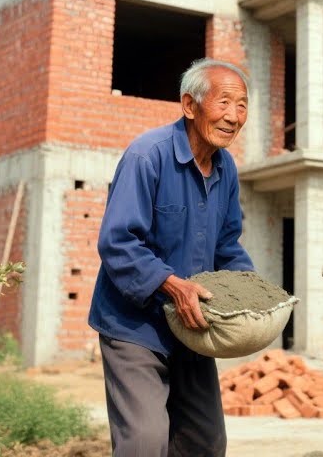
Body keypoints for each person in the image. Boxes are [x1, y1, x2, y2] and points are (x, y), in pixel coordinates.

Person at [87, 58, 253, 457]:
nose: (234, 116)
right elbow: (118, 242)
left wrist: (251, 293)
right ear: (190, 105)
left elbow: (228, 245)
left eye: (243, 105)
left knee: (205, 441)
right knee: (144, 441)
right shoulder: (148, 155)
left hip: (193, 324)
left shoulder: (226, 167)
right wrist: (171, 285)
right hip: (135, 325)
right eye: (224, 102)